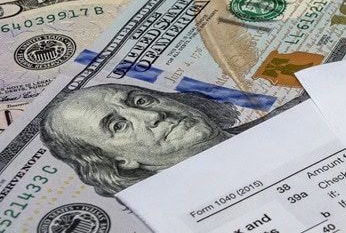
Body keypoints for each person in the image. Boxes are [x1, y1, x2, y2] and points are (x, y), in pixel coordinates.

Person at [35, 83, 242, 195]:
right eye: (119, 126)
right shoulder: (188, 207)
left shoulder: (274, 121)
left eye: (140, 101)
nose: (152, 116)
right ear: (119, 160)